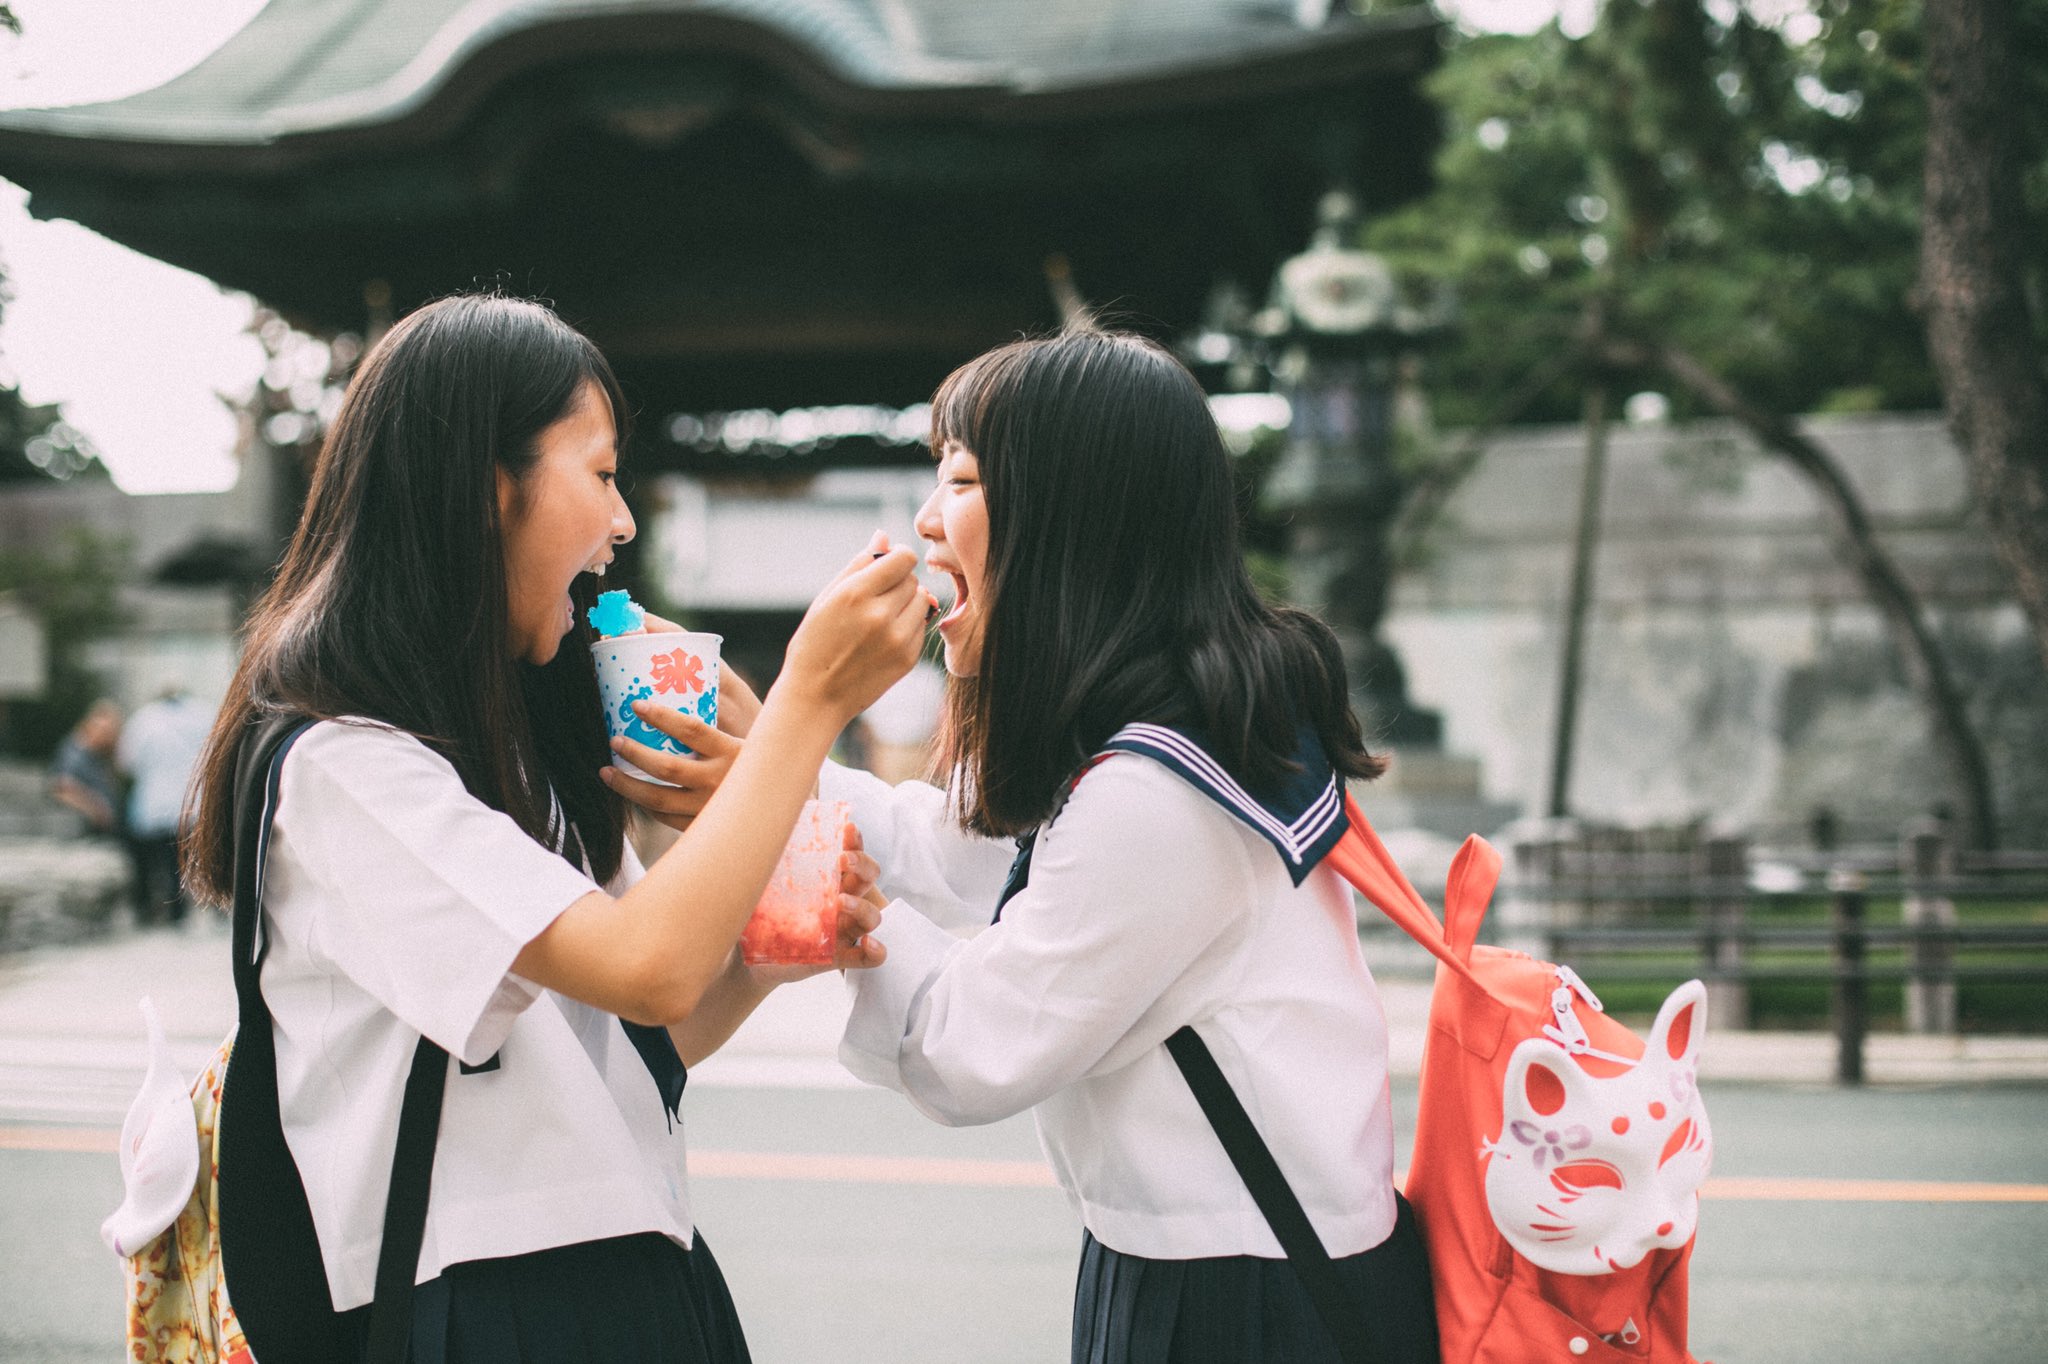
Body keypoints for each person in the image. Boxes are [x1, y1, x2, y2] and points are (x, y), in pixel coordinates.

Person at [181, 293, 927, 1362]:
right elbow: (647, 966)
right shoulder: (343, 766)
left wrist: (762, 964)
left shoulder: (507, 750)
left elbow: (640, 1036)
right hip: (479, 1308)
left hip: (634, 1272)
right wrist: (805, 702)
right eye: (602, 472)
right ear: (490, 487)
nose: (623, 523)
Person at [828, 328, 1439, 1362]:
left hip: (1243, 1306)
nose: (927, 522)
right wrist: (771, 756)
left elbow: (971, 1050)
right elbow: (969, 855)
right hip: (1237, 1267)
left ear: (1074, 520)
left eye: (963, 480)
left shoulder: (1155, 793)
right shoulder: (1176, 732)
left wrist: (856, 919)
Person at [117, 685, 213, 924]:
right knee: (189, 855)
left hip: (155, 802)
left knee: (164, 858)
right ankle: (195, 905)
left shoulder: (143, 719)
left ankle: (171, 909)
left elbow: (126, 762)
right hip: (193, 801)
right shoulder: (204, 714)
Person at [49, 699, 124, 837]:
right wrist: (97, 809)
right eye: (107, 733)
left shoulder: (98, 755)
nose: (110, 738)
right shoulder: (74, 754)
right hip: (82, 834)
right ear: (91, 726)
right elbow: (62, 787)